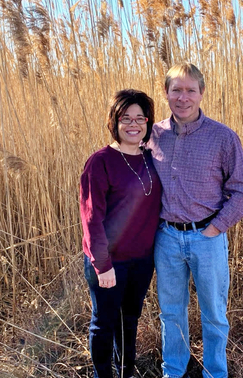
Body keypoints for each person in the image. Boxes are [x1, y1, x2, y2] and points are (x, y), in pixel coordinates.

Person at [147, 62, 243, 378]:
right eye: (176, 90)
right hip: (166, 238)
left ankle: (215, 373)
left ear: (201, 93)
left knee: (214, 314)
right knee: (171, 313)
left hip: (207, 237)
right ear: (166, 93)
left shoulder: (223, 137)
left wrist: (215, 229)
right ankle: (174, 370)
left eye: (190, 90)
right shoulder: (153, 135)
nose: (183, 97)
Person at [80, 89, 162, 378]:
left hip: (142, 261)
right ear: (114, 121)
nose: (133, 124)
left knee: (129, 322)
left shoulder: (152, 157)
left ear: (148, 122)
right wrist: (103, 265)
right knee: (103, 323)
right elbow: (91, 218)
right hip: (108, 262)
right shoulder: (100, 161)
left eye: (140, 118)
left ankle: (126, 373)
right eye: (126, 118)